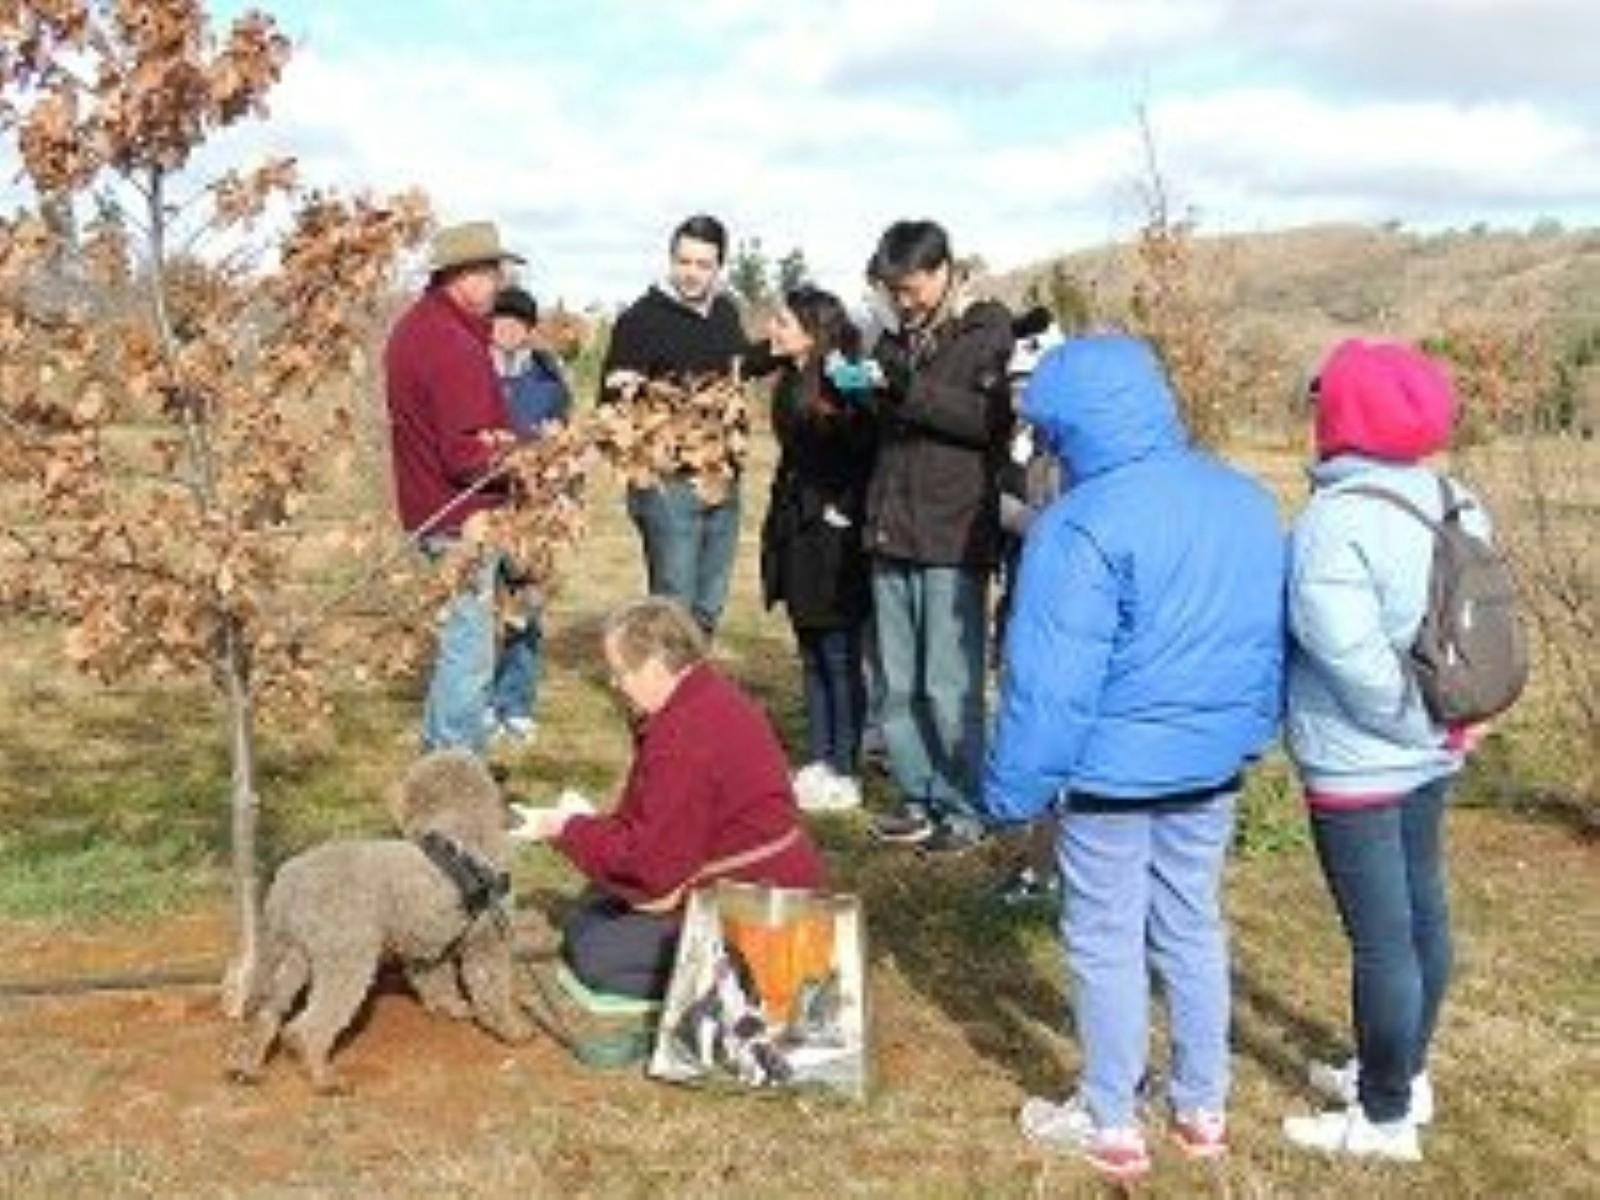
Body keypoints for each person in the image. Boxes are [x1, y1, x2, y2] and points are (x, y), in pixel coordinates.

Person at [982, 335, 1285, 1183]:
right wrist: (1251, 733)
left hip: (1109, 774)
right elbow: (1268, 643)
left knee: (1105, 934)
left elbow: (1051, 685)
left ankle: (1111, 1116)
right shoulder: (1247, 501)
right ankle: (1202, 1105)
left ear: (1064, 429)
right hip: (1211, 763)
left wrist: (1012, 791)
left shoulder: (1077, 524)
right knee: (1192, 922)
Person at [1280, 340, 1483, 1163]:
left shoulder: (1334, 519)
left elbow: (1348, 653)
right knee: (1423, 912)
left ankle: (1384, 1115)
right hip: (1438, 743)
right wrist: (1444, 723)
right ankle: (1405, 1071)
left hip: (1360, 757)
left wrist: (1408, 723)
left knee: (1382, 939)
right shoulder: (1457, 500)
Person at [516, 597, 825, 1000]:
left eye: (620, 672)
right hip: (765, 883)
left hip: (756, 907)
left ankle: (742, 979)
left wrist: (564, 829)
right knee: (591, 914)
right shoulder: (707, 694)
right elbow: (655, 828)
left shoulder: (682, 736)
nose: (615, 685)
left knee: (595, 951)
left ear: (654, 666)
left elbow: (651, 867)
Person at [862, 219, 1014, 853]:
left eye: (912, 287)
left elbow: (984, 421)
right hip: (891, 527)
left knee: (949, 684)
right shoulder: (896, 338)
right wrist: (865, 391)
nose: (904, 301)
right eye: (893, 290)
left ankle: (964, 806)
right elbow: (894, 423)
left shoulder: (987, 331)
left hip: (952, 531)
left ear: (944, 270)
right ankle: (918, 795)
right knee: (898, 682)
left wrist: (906, 387)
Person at [384, 220, 522, 754]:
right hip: (459, 517)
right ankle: (454, 772)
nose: (497, 283)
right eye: (490, 272)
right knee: (469, 654)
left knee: (459, 645)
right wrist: (532, 460)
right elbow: (466, 454)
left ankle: (439, 762)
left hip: (432, 508)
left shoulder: (418, 328)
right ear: (461, 275)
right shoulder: (450, 344)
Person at [599, 214, 755, 635]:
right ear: (671, 259)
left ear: (718, 267)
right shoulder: (640, 320)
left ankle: (694, 674)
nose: (692, 273)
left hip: (722, 477)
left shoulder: (725, 313)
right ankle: (667, 676)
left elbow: (739, 372)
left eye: (703, 264)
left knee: (709, 604)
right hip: (668, 486)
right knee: (674, 604)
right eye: (684, 261)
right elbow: (610, 408)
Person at [759, 286, 878, 813]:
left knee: (839, 651)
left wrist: (843, 509)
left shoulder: (841, 378)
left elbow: (865, 445)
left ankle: (846, 767)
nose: (773, 329)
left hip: (835, 532)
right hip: (797, 528)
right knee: (809, 647)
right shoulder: (791, 379)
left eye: (783, 322)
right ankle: (820, 757)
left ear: (812, 331)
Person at [484, 285, 573, 743]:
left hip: (533, 509)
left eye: (516, 322)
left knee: (528, 604)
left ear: (529, 330)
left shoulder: (548, 381)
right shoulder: (472, 370)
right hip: (482, 505)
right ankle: (481, 701)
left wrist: (564, 494)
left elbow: (565, 444)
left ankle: (515, 702)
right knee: (480, 607)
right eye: (499, 319)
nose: (506, 329)